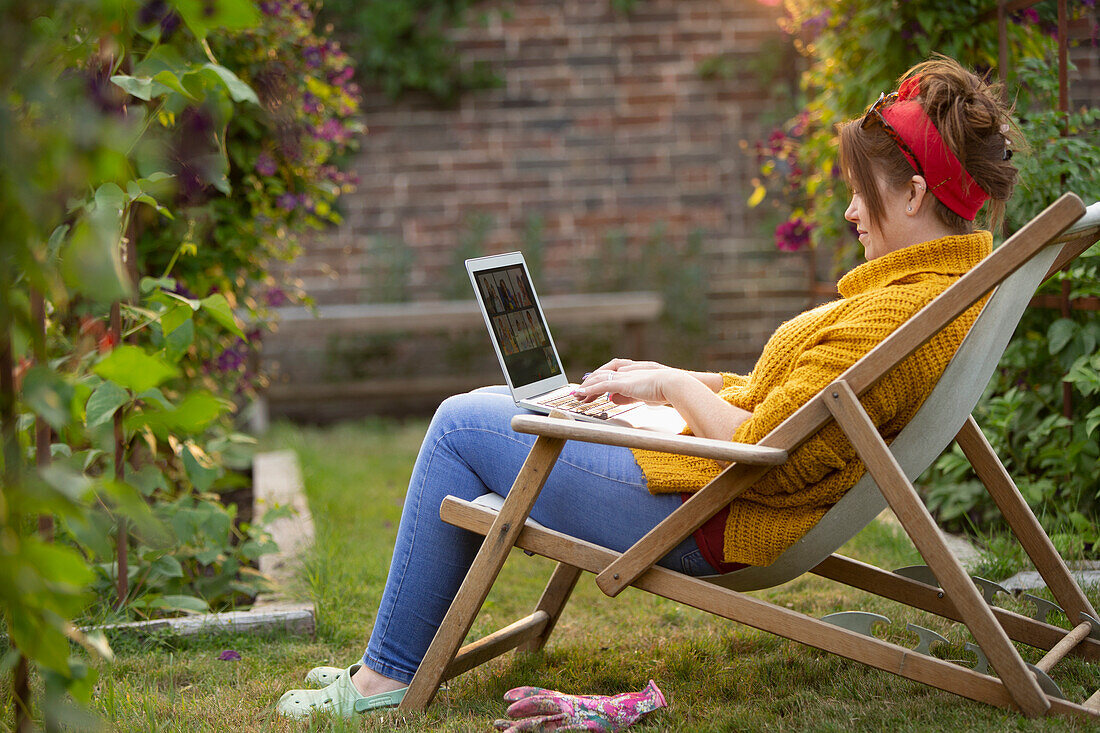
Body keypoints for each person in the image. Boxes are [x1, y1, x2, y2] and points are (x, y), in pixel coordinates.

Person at [276, 55, 1023, 719]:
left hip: (703, 512)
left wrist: (667, 384)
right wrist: (672, 386)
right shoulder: (939, 293)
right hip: (713, 488)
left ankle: (384, 679)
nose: (852, 211)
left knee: (460, 424)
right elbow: (789, 406)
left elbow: (770, 447)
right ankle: (394, 659)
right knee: (514, 410)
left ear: (917, 193)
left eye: (862, 193)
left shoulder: (896, 313)